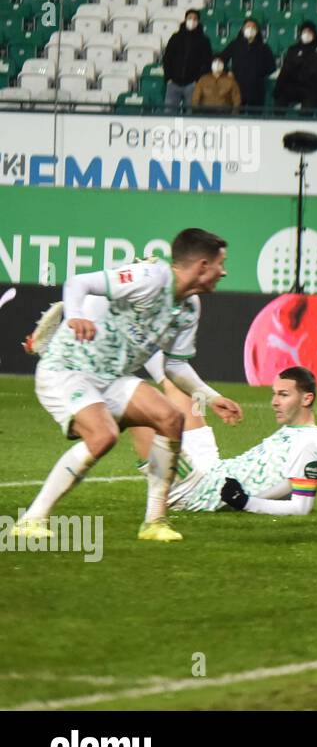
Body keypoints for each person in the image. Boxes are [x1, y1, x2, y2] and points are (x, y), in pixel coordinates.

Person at [14, 232, 244, 543]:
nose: (224, 271)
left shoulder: (189, 309)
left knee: (171, 419)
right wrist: (78, 316)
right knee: (104, 435)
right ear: (203, 265)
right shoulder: (149, 277)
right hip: (68, 370)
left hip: (111, 378)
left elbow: (174, 365)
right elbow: (78, 283)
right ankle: (31, 519)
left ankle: (155, 522)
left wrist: (211, 397)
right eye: (221, 264)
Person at [128, 366, 317, 515]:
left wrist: (245, 502)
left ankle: (102, 386)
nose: (274, 401)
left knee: (137, 403)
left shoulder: (309, 445)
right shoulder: (294, 430)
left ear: (306, 399)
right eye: (274, 394)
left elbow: (301, 507)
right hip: (212, 465)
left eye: (283, 395)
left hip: (195, 490)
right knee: (180, 386)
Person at [274, 21, 317, 110]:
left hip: (316, 89)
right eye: (304, 32)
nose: (306, 34)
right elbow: (285, 71)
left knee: (308, 108)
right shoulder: (294, 50)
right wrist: (278, 89)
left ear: (314, 33)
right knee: (280, 100)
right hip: (295, 86)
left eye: (309, 32)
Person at [219, 18, 277, 111]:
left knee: (255, 118)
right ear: (242, 29)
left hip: (256, 88)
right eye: (248, 26)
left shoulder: (264, 47)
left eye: (253, 27)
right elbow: (221, 59)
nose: (250, 29)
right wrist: (227, 71)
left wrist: (258, 74)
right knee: (236, 115)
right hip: (237, 86)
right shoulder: (235, 44)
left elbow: (272, 67)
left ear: (257, 31)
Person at [163, 10, 213, 110]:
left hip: (192, 85)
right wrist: (168, 78)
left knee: (192, 115)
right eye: (190, 18)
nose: (192, 21)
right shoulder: (175, 37)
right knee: (168, 114)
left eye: (195, 19)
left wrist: (197, 80)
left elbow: (207, 62)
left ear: (198, 21)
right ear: (185, 19)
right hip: (173, 83)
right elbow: (167, 58)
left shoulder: (204, 40)